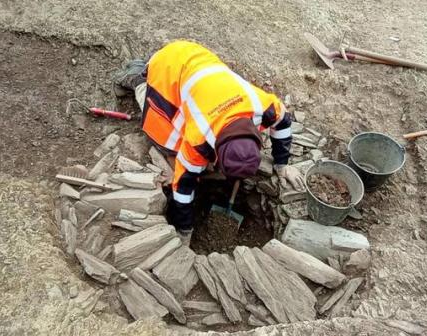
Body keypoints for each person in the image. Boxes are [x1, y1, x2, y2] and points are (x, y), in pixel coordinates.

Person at [114, 40, 304, 237]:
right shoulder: (198, 139)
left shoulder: (264, 107)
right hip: (169, 68)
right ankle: (139, 78)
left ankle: (148, 69)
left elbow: (283, 122)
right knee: (165, 137)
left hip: (197, 60)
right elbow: (183, 185)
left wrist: (282, 164)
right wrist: (184, 228)